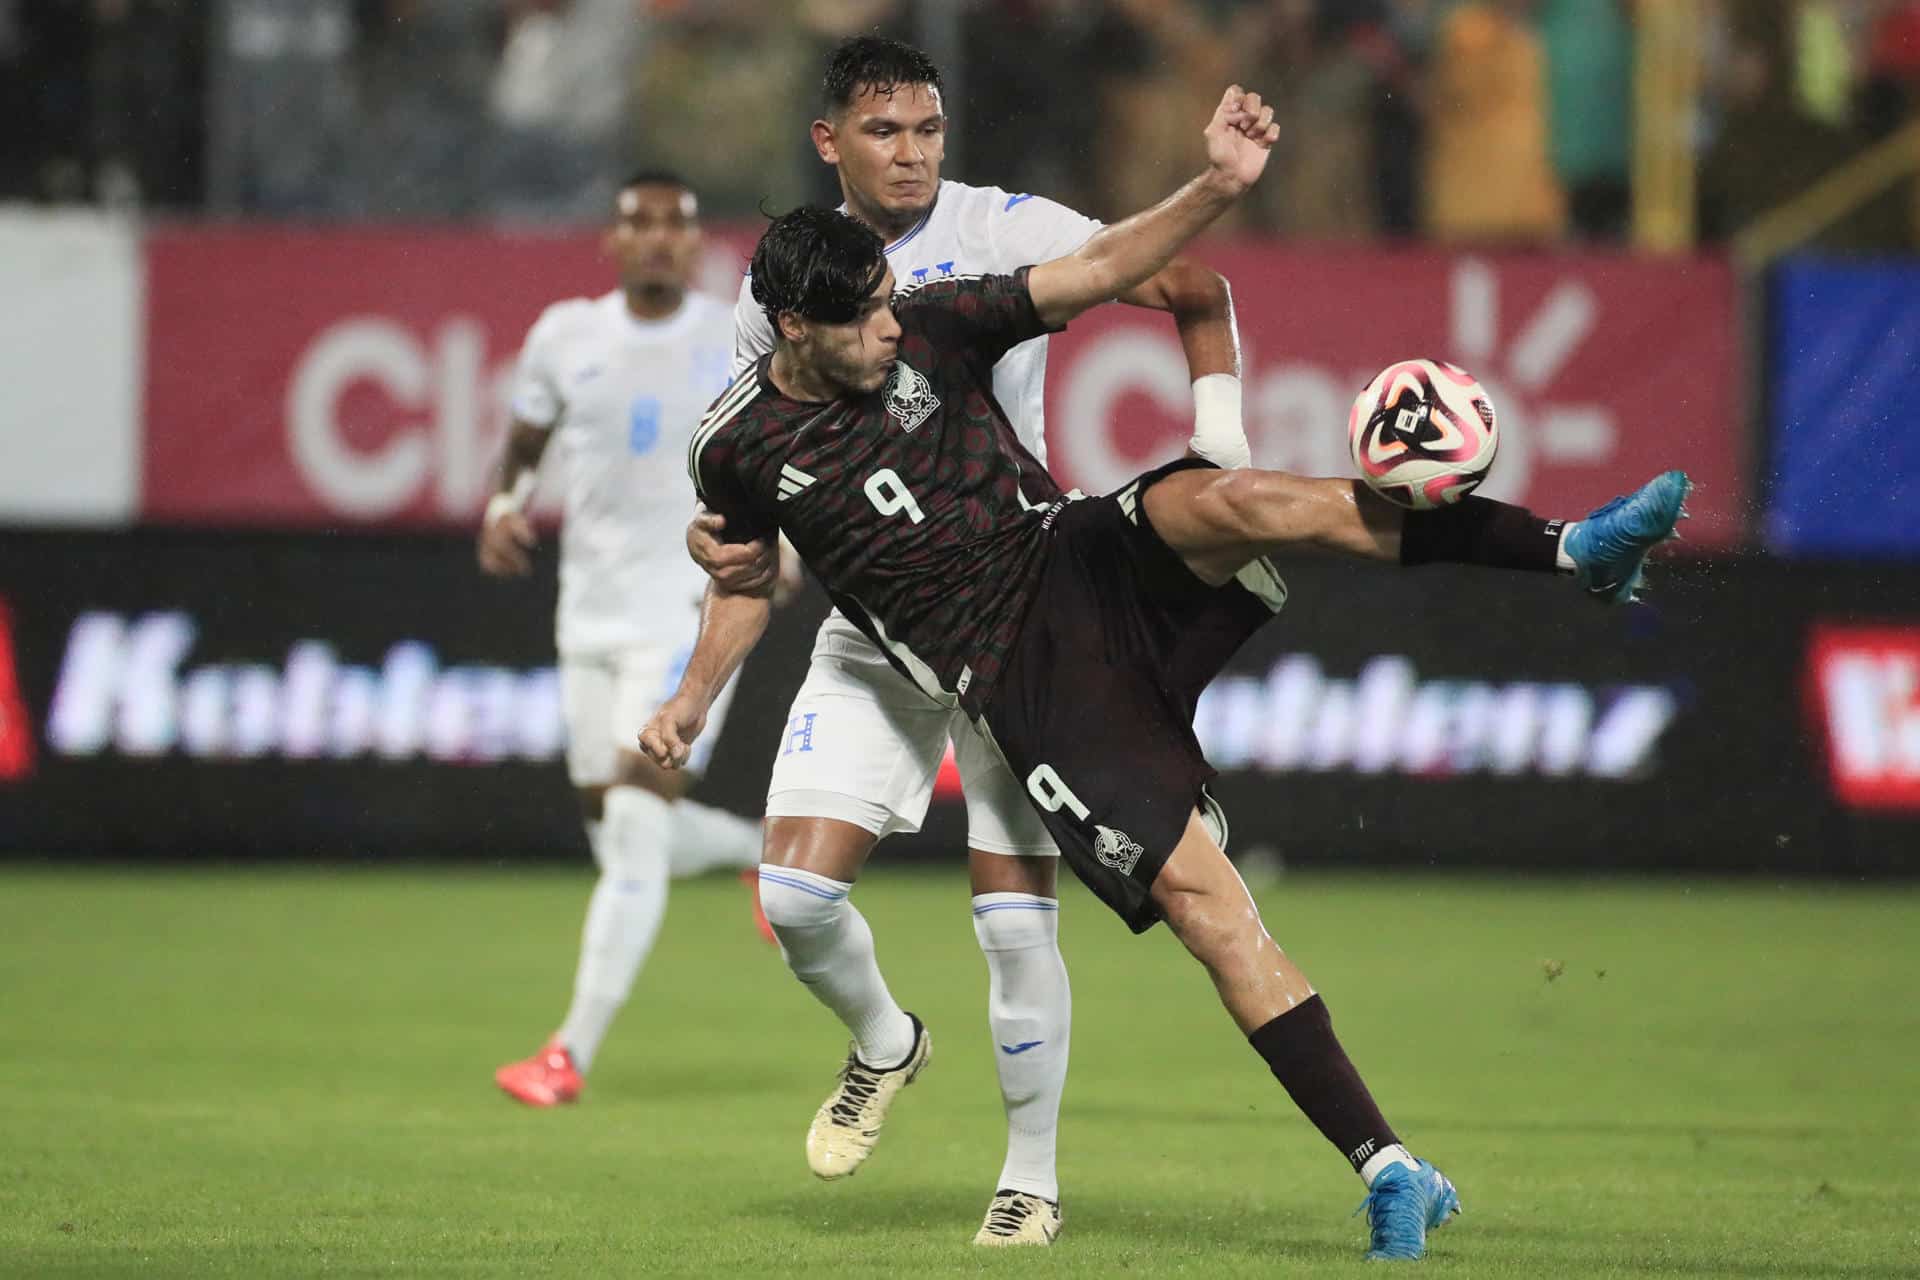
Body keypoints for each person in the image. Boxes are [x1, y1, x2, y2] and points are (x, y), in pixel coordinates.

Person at [643, 86, 1690, 1260]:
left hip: (1077, 554)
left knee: (1237, 497)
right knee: (1209, 907)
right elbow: (740, 573)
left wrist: (1219, 188)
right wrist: (691, 698)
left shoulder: (935, 319)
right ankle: (1390, 1163)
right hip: (1025, 689)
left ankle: (1572, 550)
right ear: (792, 328)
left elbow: (1093, 276)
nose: (892, 327)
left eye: (892, 301)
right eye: (865, 319)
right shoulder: (732, 446)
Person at [685, 35, 1250, 1246]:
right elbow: (779, 484)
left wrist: (1219, 442)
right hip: (881, 626)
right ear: (829, 140)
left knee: (1012, 921)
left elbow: (1188, 288)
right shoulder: (779, 284)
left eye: (929, 129)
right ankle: (888, 1041)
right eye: (886, 131)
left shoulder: (1003, 228)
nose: (914, 154)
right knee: (791, 896)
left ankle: (1031, 1176)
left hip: (1016, 609)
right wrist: (735, 557)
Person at [477, 171, 769, 1108]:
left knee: (636, 824)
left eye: (674, 226)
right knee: (614, 830)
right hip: (587, 619)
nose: (655, 240)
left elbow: (782, 454)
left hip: (687, 619)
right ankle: (759, 849)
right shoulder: (567, 336)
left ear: (695, 243)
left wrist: (786, 543)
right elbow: (525, 440)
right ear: (611, 240)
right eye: (638, 224)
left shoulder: (734, 339)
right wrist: (503, 503)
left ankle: (568, 1052)